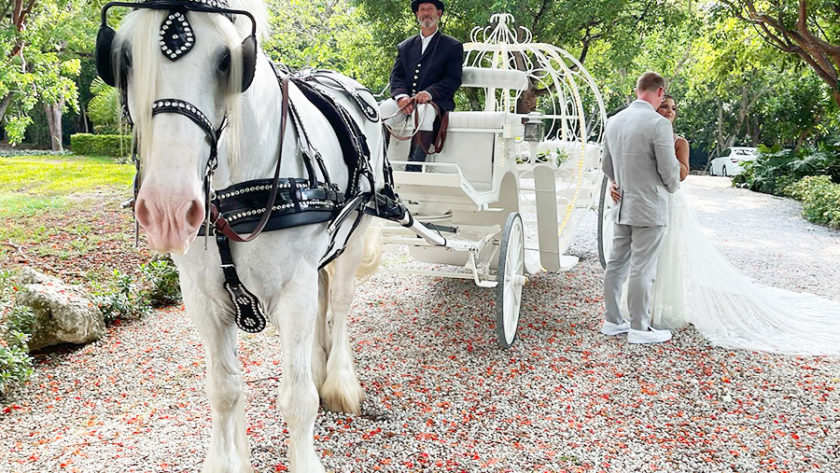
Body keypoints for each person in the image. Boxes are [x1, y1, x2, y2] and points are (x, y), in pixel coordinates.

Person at [611, 95, 840, 355]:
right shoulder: (642, 133)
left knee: (665, 258)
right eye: (664, 106)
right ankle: (639, 314)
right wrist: (615, 184)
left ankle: (658, 312)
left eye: (673, 108)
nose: (670, 111)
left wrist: (666, 157)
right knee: (640, 262)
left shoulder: (679, 142)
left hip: (668, 203)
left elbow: (681, 175)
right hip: (641, 203)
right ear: (653, 107)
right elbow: (624, 166)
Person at [600, 71, 681, 344]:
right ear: (660, 92)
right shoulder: (658, 124)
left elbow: (606, 166)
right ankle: (639, 328)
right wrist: (671, 189)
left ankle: (612, 320)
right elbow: (669, 169)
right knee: (642, 268)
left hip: (622, 204)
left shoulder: (614, 121)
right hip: (649, 205)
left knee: (616, 263)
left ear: (637, 90)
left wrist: (619, 183)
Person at [380, 0, 463, 172]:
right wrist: (401, 97)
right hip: (406, 101)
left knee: (423, 111)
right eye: (422, 10)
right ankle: (379, 165)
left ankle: (414, 168)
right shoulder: (405, 46)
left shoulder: (452, 46)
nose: (426, 13)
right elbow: (396, 76)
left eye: (430, 9)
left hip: (435, 102)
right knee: (384, 110)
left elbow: (453, 79)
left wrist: (429, 93)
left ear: (438, 13)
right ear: (417, 15)